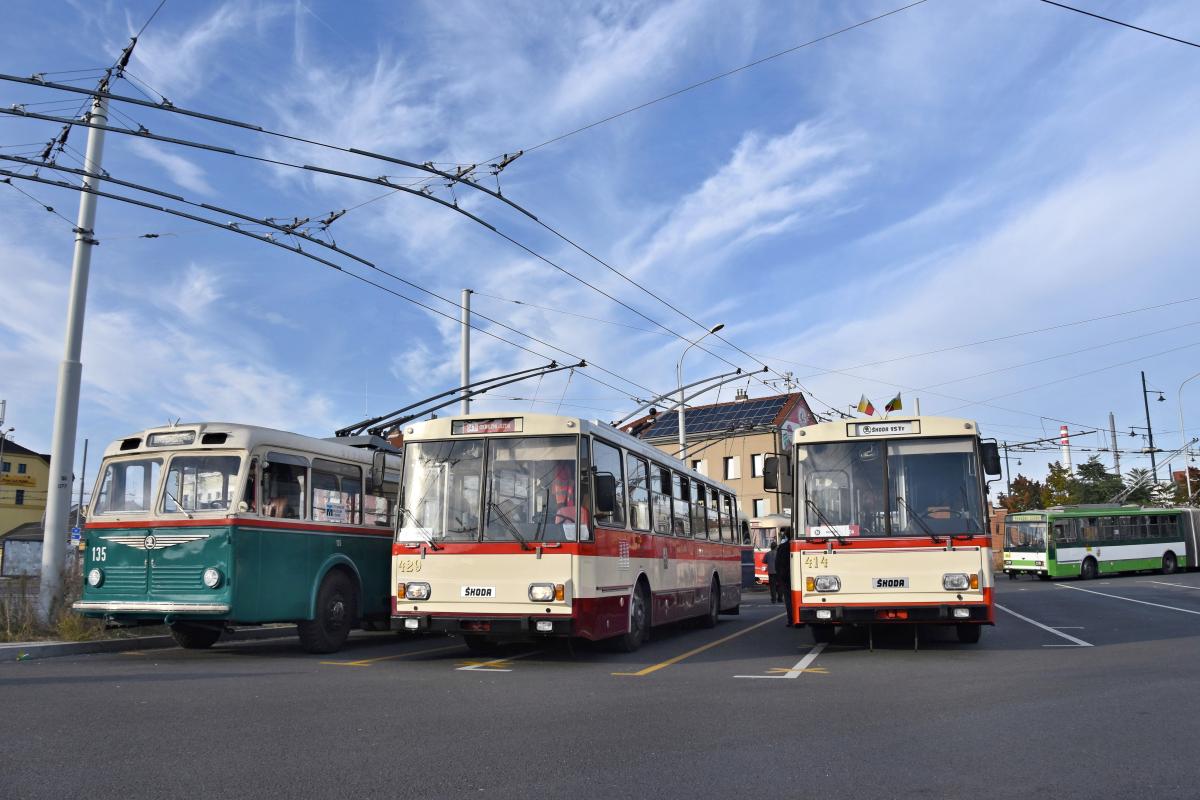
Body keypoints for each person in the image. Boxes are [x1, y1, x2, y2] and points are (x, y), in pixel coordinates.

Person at [776, 528, 793, 625]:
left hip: (785, 576)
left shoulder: (782, 547)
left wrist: (779, 577)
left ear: (786, 535)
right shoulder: (797, 546)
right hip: (797, 577)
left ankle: (791, 619)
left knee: (788, 599)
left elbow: (777, 564)